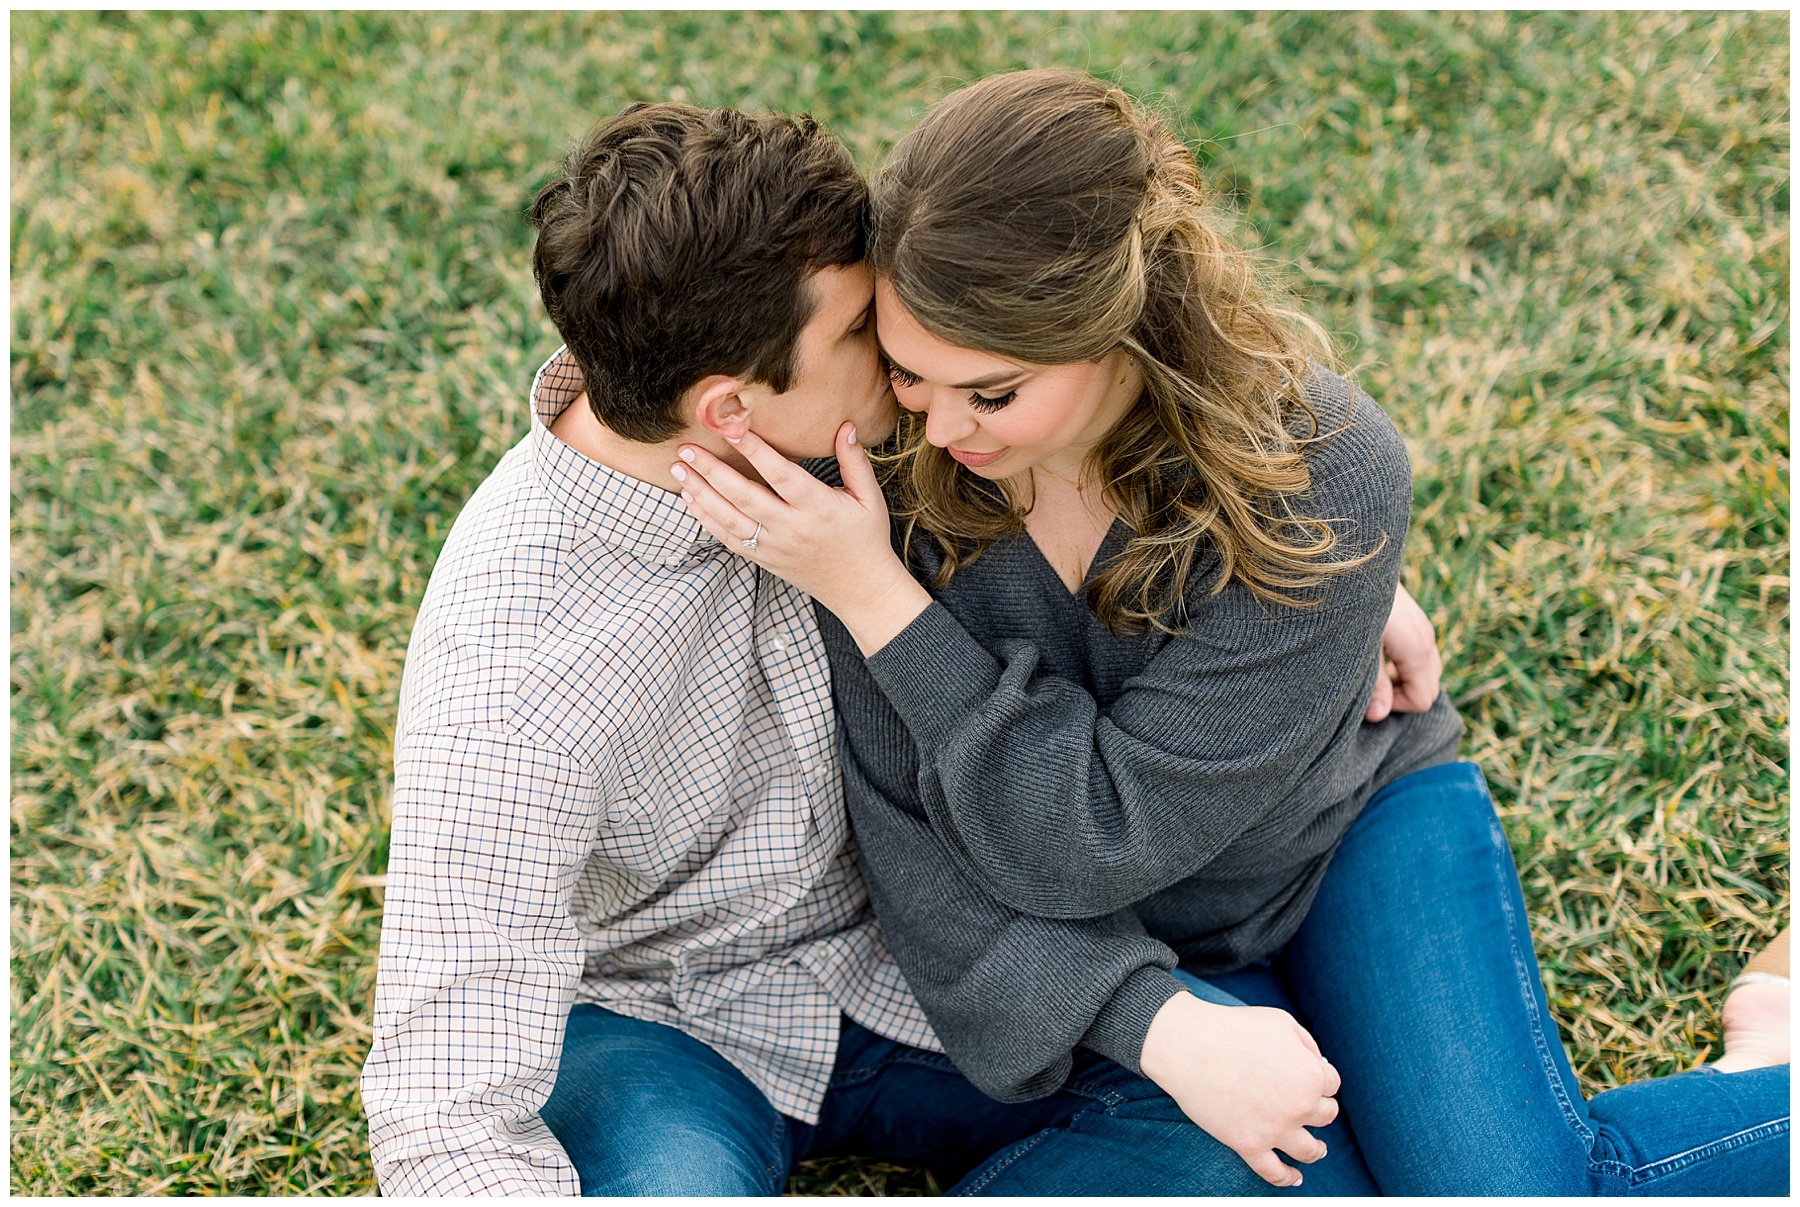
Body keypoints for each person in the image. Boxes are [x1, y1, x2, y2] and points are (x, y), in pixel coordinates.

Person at [673, 69, 1791, 1196]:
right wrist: (1154, 1018)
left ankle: (1772, 1057)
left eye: (994, 393)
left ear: (1117, 335)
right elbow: (925, 864)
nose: (938, 425)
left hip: (1346, 834)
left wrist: (883, 605)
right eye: (911, 372)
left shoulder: (1328, 473)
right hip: (1147, 941)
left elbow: (1091, 834)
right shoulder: (876, 492)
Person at [361, 99, 1444, 1196]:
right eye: (864, 338)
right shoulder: (519, 667)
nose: (913, 366)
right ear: (731, 408)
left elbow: (1051, 312)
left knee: (1289, 1150)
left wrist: (1320, 594)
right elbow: (441, 1105)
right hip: (671, 1026)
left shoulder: (872, 444)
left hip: (913, 974)